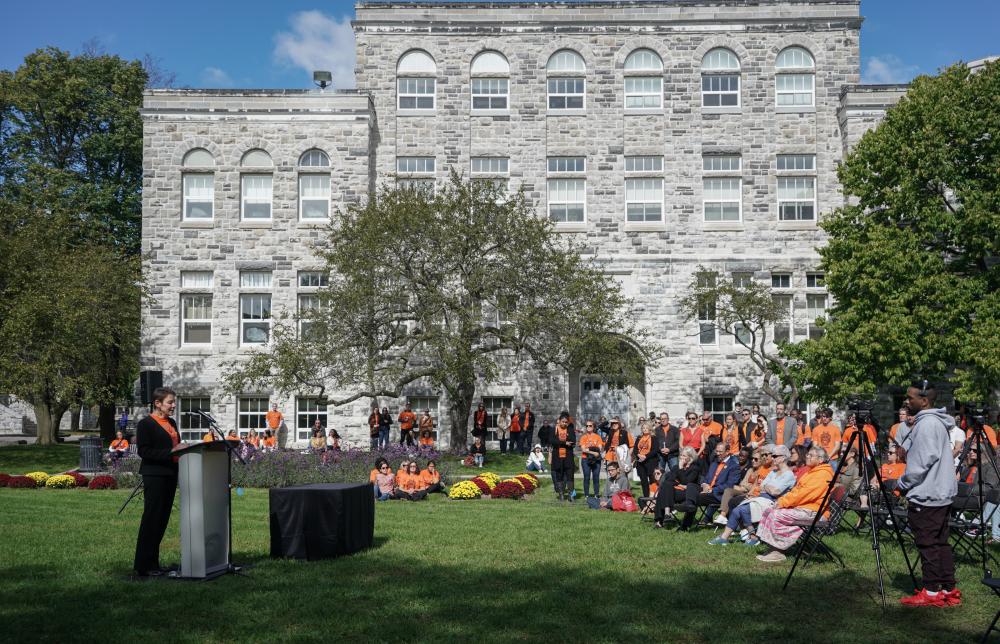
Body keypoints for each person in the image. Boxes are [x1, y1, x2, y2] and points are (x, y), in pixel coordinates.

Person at [896, 381, 960, 607]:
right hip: (939, 493)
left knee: (927, 544)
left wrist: (902, 482)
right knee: (940, 543)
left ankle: (932, 592)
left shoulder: (927, 425)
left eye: (910, 397)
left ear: (924, 401)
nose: (906, 400)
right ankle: (949, 588)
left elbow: (922, 463)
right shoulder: (934, 422)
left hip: (928, 495)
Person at [755, 446, 835, 563]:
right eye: (808, 454)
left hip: (814, 512)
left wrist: (783, 502)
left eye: (811, 455)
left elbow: (804, 494)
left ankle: (778, 551)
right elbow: (796, 491)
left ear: (820, 459)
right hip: (804, 508)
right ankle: (773, 548)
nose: (807, 456)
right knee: (769, 511)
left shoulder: (822, 474)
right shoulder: (812, 471)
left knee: (775, 515)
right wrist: (782, 501)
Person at [133, 387, 181, 578]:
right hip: (154, 476)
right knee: (152, 520)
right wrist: (171, 453)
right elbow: (144, 451)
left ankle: (154, 563)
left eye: (174, 402)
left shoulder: (172, 422)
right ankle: (143, 565)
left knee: (162, 521)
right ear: (157, 403)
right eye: (170, 402)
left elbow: (175, 446)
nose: (173, 405)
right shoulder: (146, 424)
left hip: (170, 475)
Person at [710, 445, 797, 545]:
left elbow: (775, 492)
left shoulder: (788, 474)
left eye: (775, 456)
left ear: (783, 457)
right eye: (772, 456)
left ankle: (753, 537)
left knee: (743, 509)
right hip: (761, 498)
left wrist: (767, 487)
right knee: (737, 510)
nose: (772, 458)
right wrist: (768, 487)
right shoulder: (773, 472)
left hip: (774, 502)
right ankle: (724, 537)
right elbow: (762, 485)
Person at [679, 442, 741, 530]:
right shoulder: (715, 463)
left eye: (720, 452)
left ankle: (685, 525)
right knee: (691, 486)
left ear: (727, 452)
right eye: (717, 451)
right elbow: (706, 479)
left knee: (695, 498)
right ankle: (688, 505)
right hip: (707, 490)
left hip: (718, 494)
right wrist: (704, 485)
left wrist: (712, 490)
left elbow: (730, 484)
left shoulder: (734, 465)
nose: (718, 453)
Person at [652, 447, 703, 526]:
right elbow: (670, 479)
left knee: (664, 491)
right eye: (681, 455)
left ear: (690, 458)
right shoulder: (676, 467)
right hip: (675, 490)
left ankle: (660, 520)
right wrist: (678, 483)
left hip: (688, 493)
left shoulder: (694, 468)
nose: (681, 458)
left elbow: (686, 482)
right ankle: (666, 514)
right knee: (666, 486)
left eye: (684, 456)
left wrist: (680, 469)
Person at [551, 415, 576, 502]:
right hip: (557, 456)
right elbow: (552, 441)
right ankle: (561, 494)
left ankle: (570, 495)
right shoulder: (554, 429)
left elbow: (573, 441)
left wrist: (561, 443)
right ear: (559, 421)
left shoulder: (570, 429)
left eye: (566, 422)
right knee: (559, 474)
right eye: (563, 422)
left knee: (570, 475)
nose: (564, 423)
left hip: (568, 456)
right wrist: (564, 442)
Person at [633, 420, 660, 498]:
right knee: (643, 481)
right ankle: (646, 498)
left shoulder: (653, 437)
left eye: (646, 428)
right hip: (640, 462)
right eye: (643, 428)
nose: (644, 429)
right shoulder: (639, 438)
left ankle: (653, 497)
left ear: (650, 429)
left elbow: (655, 450)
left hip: (651, 462)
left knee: (652, 481)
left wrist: (646, 456)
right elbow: (635, 449)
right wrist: (638, 455)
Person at [579, 420, 605, 498]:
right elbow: (583, 450)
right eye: (587, 426)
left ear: (593, 427)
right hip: (585, 459)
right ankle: (586, 494)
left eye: (590, 426)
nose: (588, 427)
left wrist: (589, 450)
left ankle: (596, 494)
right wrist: (594, 452)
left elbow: (599, 448)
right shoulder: (583, 437)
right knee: (586, 477)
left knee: (596, 477)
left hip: (596, 460)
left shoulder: (598, 437)